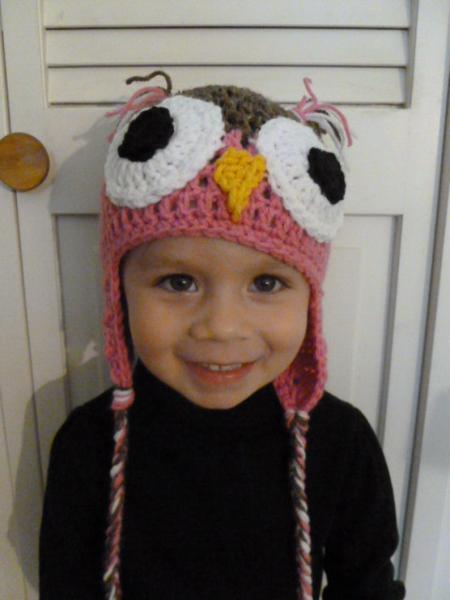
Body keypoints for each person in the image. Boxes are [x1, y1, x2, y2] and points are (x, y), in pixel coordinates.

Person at [39, 72, 406, 600]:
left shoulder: (340, 443)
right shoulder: (89, 446)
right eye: (178, 281)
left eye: (266, 282)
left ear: (311, 297)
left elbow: (368, 584)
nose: (222, 327)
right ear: (119, 290)